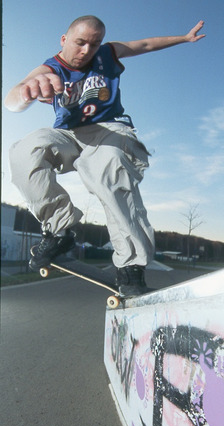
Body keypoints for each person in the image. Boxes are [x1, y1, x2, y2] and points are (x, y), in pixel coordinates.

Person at [5, 15, 205, 296]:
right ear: (64, 40)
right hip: (70, 135)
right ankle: (60, 230)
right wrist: (26, 93)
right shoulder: (49, 67)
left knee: (108, 167)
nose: (87, 51)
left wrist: (183, 38)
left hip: (109, 132)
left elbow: (145, 44)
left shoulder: (108, 52)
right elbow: (12, 98)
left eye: (94, 44)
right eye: (80, 43)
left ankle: (131, 265)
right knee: (25, 151)